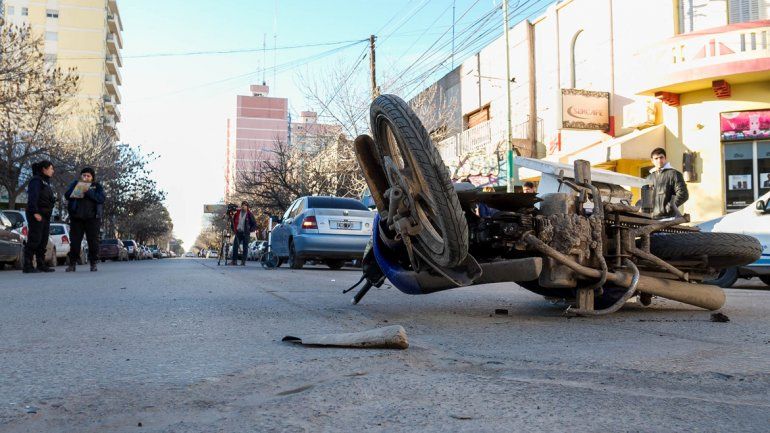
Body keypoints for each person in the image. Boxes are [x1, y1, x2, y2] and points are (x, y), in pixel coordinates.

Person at [65, 167, 105, 272]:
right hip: (77, 218)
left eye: (88, 176)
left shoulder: (97, 186)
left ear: (92, 177)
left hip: (92, 219)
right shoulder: (75, 184)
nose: (86, 177)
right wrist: (79, 189)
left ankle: (93, 263)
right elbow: (67, 195)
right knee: (75, 243)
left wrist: (88, 191)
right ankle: (72, 264)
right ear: (81, 176)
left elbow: (101, 198)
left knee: (93, 242)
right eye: (84, 175)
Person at [23, 161, 57, 273]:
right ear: (44, 169)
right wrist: (35, 212)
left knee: (43, 241)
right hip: (37, 214)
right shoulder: (36, 181)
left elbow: (46, 198)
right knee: (34, 239)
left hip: (45, 215)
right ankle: (27, 265)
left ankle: (41, 264)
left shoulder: (46, 182)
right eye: (51, 168)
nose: (53, 171)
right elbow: (33, 198)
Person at [646, 148, 689, 219]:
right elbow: (646, 199)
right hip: (652, 219)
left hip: (669, 218)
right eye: (656, 158)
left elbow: (683, 194)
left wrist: (669, 208)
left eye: (661, 157)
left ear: (665, 158)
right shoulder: (649, 178)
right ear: (652, 160)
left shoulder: (674, 174)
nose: (659, 160)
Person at [231, 201, 257, 266]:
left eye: (245, 205)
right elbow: (233, 222)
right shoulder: (237, 213)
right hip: (238, 232)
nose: (243, 206)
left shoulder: (249, 214)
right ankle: (234, 261)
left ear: (247, 207)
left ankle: (243, 262)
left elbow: (254, 224)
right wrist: (233, 229)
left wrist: (250, 230)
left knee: (245, 247)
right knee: (235, 246)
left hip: (246, 233)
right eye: (242, 205)